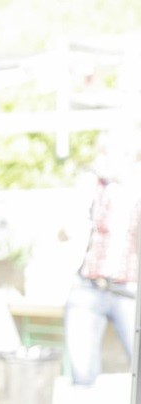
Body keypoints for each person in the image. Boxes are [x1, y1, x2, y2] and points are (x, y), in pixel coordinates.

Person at [66, 139, 138, 389]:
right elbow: (69, 228)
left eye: (107, 156)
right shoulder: (93, 188)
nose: (101, 162)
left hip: (128, 290)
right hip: (89, 285)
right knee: (82, 372)